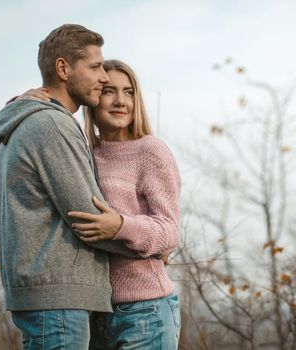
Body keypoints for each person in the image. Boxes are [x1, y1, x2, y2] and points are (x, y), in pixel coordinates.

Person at [0, 24, 143, 349]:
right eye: (95, 67)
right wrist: (147, 246)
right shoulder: (52, 125)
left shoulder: (34, 120)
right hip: (57, 297)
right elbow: (88, 214)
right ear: (63, 68)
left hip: (51, 295)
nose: (103, 77)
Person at [21, 60, 182, 349]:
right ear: (93, 98)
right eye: (109, 91)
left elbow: (170, 231)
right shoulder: (83, 151)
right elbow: (28, 149)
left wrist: (121, 226)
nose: (121, 101)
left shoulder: (150, 151)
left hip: (146, 310)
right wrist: (24, 103)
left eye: (129, 92)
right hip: (94, 311)